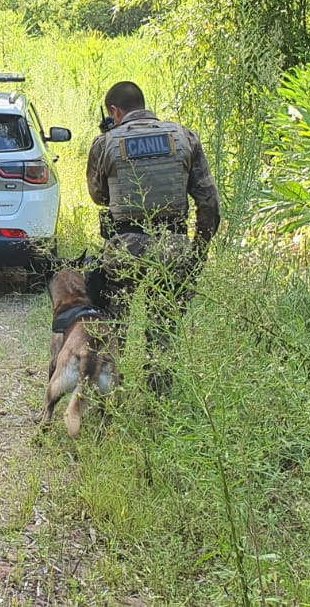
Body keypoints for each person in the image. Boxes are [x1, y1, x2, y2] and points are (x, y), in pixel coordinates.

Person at [85, 80, 220, 393]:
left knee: (113, 328)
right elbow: (209, 202)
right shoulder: (184, 137)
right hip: (173, 246)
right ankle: (159, 405)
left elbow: (98, 195)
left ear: (114, 111)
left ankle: (109, 400)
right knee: (163, 332)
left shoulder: (105, 143)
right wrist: (197, 251)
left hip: (125, 247)